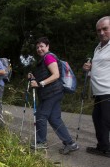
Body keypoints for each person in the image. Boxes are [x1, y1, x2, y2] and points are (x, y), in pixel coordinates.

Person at [28, 37, 79, 154]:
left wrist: (39, 84)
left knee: (41, 115)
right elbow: (45, 75)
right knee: (54, 118)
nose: (39, 49)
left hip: (51, 93)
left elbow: (55, 75)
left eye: (42, 46)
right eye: (37, 47)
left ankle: (41, 142)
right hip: (54, 92)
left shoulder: (49, 57)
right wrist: (34, 77)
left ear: (47, 46)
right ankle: (70, 143)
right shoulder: (44, 59)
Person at [83, 16, 110, 157]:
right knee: (98, 119)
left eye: (105, 29)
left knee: (106, 120)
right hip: (98, 92)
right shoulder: (98, 48)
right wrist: (90, 68)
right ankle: (103, 147)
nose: (101, 32)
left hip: (108, 91)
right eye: (98, 30)